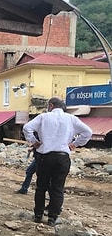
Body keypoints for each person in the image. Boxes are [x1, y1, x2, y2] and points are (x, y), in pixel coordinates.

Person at [23, 97, 92, 226]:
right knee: (57, 188)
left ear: (50, 105)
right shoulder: (71, 119)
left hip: (45, 156)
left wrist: (34, 142)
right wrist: (75, 144)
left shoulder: (43, 117)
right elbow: (88, 132)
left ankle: (38, 215)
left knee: (41, 187)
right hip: (62, 157)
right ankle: (52, 218)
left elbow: (27, 128)